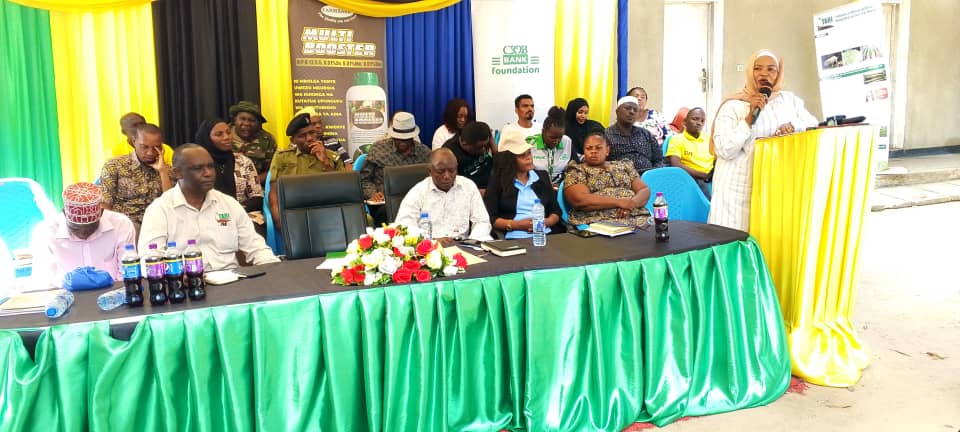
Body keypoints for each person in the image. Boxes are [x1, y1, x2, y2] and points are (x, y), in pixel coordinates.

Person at [708, 49, 818, 231]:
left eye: (771, 69)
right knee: (733, 241)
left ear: (779, 73)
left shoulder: (789, 101)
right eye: (758, 69)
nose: (764, 74)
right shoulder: (734, 105)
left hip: (772, 185)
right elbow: (724, 150)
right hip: (736, 189)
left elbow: (812, 123)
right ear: (750, 72)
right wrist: (750, 118)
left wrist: (792, 126)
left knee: (765, 242)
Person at [140, 144, 280, 270]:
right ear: (178, 173)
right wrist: (174, 275)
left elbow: (256, 247)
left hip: (231, 283)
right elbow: (149, 260)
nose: (208, 173)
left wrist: (275, 268)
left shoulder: (228, 204)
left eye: (210, 166)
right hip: (186, 286)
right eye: (198, 168)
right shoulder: (160, 209)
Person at [30, 182, 136, 288]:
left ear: (101, 212)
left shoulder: (121, 225)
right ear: (64, 214)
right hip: (66, 298)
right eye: (76, 228)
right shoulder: (46, 232)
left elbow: (127, 276)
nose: (83, 234)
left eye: (90, 227)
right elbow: (45, 283)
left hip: (112, 297)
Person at [394, 148, 493, 241]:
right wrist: (431, 241)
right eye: (440, 171)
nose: (447, 176)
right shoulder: (418, 192)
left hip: (463, 247)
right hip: (430, 248)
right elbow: (403, 226)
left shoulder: (468, 186)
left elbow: (482, 221)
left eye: (451, 171)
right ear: (430, 171)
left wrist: (472, 242)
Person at [269, 113, 345, 227]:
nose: (309, 138)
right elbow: (274, 192)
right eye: (302, 135)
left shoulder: (332, 157)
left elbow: (342, 190)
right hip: (294, 210)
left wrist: (325, 162)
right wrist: (277, 218)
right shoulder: (282, 157)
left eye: (312, 133)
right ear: (293, 140)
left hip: (326, 209)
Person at [483, 130, 563, 239]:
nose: (529, 158)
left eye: (529, 152)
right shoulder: (498, 181)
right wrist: (517, 225)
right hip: (513, 237)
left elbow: (556, 211)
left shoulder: (542, 177)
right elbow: (491, 218)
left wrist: (546, 222)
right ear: (509, 160)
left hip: (545, 234)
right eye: (522, 155)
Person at [563, 133, 652, 227]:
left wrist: (631, 204)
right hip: (598, 220)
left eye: (598, 148)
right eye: (589, 148)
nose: (593, 151)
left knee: (657, 230)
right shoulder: (577, 170)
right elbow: (580, 200)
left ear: (607, 150)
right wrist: (619, 202)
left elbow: (644, 190)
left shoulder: (624, 165)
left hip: (634, 214)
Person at [100, 123, 174, 229]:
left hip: (158, 225)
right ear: (134, 142)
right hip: (125, 225)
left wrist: (162, 172)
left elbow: (170, 203)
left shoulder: (167, 170)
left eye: (156, 148)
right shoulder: (114, 166)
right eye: (144, 147)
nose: (150, 153)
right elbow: (105, 204)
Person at [360, 111, 431, 223]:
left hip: (417, 203)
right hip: (385, 204)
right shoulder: (378, 149)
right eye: (398, 137)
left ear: (413, 136)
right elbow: (363, 179)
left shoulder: (425, 153)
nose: (402, 141)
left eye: (406, 138)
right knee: (386, 212)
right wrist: (372, 193)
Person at [194, 119, 264, 213]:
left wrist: (235, 210)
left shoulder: (243, 161)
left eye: (228, 132)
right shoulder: (196, 163)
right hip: (206, 214)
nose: (226, 137)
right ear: (207, 138)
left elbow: (257, 197)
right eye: (219, 134)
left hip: (242, 212)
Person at [604, 96, 664, 175]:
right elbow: (602, 162)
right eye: (627, 108)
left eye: (635, 110)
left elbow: (659, 159)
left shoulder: (646, 134)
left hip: (649, 177)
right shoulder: (606, 135)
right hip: (620, 178)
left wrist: (654, 174)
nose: (632, 112)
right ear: (617, 111)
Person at [665, 107, 713, 198]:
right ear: (684, 122)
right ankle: (709, 209)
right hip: (692, 177)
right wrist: (702, 175)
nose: (699, 123)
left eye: (702, 121)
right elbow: (676, 164)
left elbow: (717, 159)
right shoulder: (677, 139)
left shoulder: (709, 139)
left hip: (711, 176)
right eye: (695, 119)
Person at [229, 100, 276, 184]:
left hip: (257, 187)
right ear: (234, 120)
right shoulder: (223, 135)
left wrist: (254, 181)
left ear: (258, 123)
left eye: (252, 120)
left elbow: (272, 170)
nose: (246, 123)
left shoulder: (267, 140)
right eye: (242, 119)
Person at [527, 106, 574, 186]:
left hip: (561, 186)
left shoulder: (567, 141)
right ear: (543, 131)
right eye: (552, 137)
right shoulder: (530, 143)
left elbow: (574, 164)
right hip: (536, 185)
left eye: (560, 137)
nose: (556, 141)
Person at [441, 121, 495, 191]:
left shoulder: (476, 136)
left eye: (486, 145)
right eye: (479, 147)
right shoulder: (448, 154)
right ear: (464, 144)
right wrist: (481, 193)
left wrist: (493, 148)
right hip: (474, 192)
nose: (483, 150)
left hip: (492, 186)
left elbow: (498, 162)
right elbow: (453, 188)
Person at [108, 112, 174, 167]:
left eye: (142, 124)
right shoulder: (116, 152)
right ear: (124, 132)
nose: (139, 128)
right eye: (134, 126)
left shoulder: (165, 149)